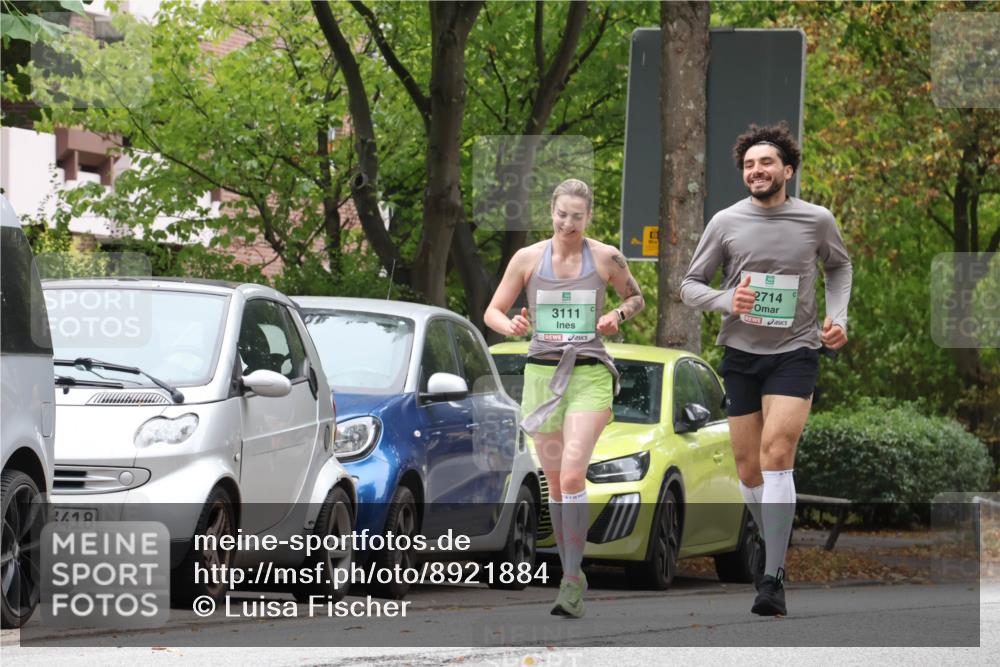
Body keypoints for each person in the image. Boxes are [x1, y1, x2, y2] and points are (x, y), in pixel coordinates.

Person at [680, 123, 852, 617]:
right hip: (740, 353)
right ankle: (769, 533)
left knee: (777, 452)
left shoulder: (816, 220)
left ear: (787, 170)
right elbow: (690, 285)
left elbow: (839, 267)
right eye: (750, 165)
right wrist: (726, 299)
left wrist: (836, 320)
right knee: (747, 468)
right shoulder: (725, 222)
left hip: (797, 350)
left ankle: (772, 575)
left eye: (766, 162)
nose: (757, 170)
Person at [485, 178, 644, 619]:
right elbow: (493, 310)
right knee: (555, 486)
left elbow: (637, 298)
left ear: (588, 216)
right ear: (550, 213)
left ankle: (571, 578)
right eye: (561, 214)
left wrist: (615, 314)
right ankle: (573, 573)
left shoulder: (607, 257)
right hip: (542, 377)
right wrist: (509, 327)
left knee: (573, 476)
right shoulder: (528, 259)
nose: (568, 223)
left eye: (577, 216)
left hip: (590, 374)